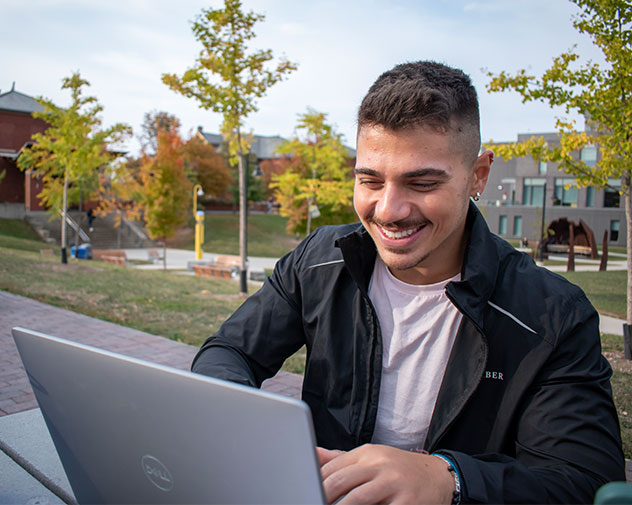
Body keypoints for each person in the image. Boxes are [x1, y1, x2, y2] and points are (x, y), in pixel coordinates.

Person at [192, 61, 624, 504]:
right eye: (370, 180)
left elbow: (581, 480)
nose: (389, 210)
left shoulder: (552, 315)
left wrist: (450, 480)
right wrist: (242, 421)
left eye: (420, 183)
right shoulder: (318, 260)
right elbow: (230, 352)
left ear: (478, 175)